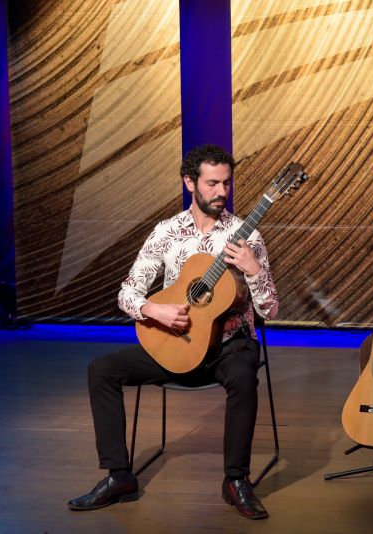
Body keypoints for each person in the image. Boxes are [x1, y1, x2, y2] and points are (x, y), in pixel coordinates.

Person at [67, 144, 278, 520]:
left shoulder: (247, 236)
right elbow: (126, 292)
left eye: (227, 183)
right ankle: (119, 477)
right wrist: (154, 309)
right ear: (189, 182)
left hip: (228, 348)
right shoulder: (166, 233)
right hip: (176, 346)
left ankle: (236, 480)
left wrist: (254, 271)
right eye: (212, 183)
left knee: (245, 376)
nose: (221, 192)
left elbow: (270, 311)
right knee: (101, 369)